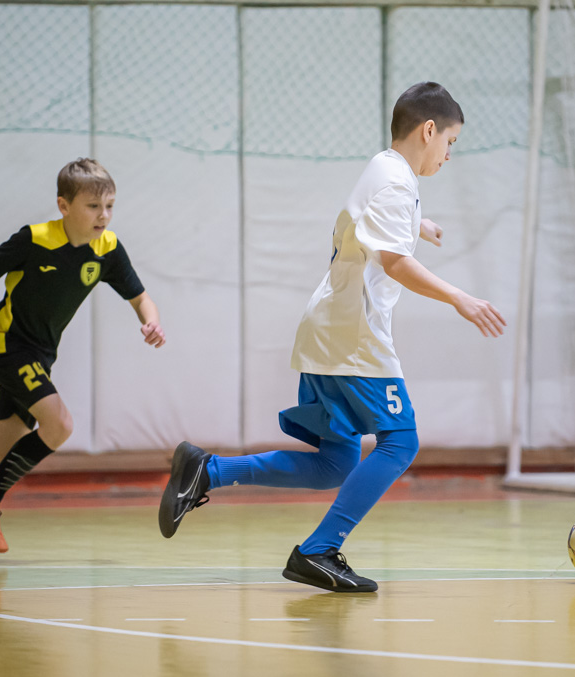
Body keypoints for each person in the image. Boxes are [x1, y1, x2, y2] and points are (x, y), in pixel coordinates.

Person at [158, 82, 505, 592]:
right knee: (400, 441)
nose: (448, 155)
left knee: (334, 464)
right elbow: (395, 263)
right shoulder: (396, 184)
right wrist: (459, 297)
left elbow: (372, 225)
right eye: (450, 142)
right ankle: (319, 550)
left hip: (328, 331)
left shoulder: (385, 170)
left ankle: (208, 472)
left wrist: (417, 223)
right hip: (353, 337)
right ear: (429, 130)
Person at [0, 158, 165, 560]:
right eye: (93, 206)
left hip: (42, 355)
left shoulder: (108, 249)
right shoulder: (35, 239)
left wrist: (151, 322)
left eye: (109, 206)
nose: (103, 216)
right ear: (64, 206)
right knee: (60, 424)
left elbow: (141, 297)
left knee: (0, 453)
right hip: (6, 345)